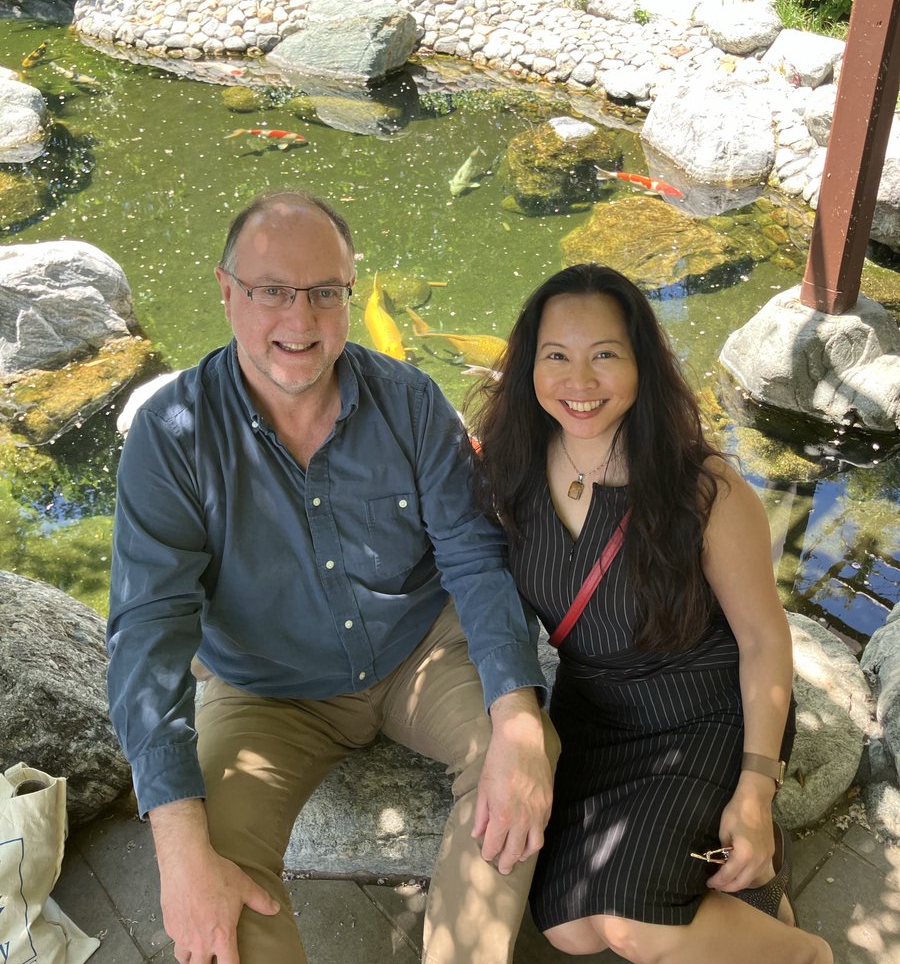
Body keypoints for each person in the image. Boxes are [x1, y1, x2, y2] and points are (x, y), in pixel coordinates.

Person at [106, 190, 559, 964]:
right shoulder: (171, 436)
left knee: (518, 766)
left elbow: (475, 558)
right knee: (217, 911)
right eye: (272, 290)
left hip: (419, 652)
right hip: (265, 692)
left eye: (323, 292)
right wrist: (177, 852)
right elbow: (147, 635)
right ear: (226, 292)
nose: (300, 318)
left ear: (349, 294)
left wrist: (517, 718)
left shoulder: (412, 404)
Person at [468, 263, 833, 964]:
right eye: (557, 357)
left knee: (632, 927)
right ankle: (741, 897)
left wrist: (756, 788)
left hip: (703, 712)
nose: (580, 381)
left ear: (642, 363)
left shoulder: (704, 488)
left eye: (605, 355)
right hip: (596, 717)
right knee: (571, 931)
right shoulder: (507, 472)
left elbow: (762, 639)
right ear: (528, 367)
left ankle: (804, 953)